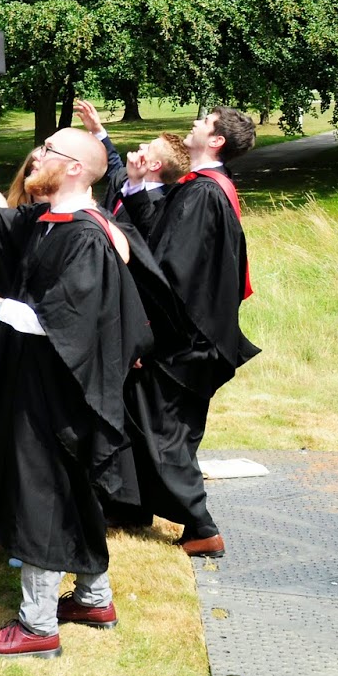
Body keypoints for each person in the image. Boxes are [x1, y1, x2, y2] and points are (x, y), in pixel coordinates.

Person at [0, 129, 151, 658]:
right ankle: (93, 598)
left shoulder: (87, 236)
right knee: (70, 488)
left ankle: (37, 627)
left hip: (64, 386)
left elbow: (71, 321)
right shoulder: (46, 219)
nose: (37, 157)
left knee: (40, 493)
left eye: (50, 152)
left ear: (76, 168)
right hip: (40, 375)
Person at [118, 106, 259, 558]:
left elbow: (169, 271)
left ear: (216, 140)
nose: (195, 124)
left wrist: (146, 334)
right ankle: (132, 507)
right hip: (191, 337)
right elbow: (158, 235)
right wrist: (136, 186)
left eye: (204, 122)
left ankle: (202, 527)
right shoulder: (201, 188)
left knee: (164, 431)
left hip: (184, 340)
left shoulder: (204, 193)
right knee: (148, 420)